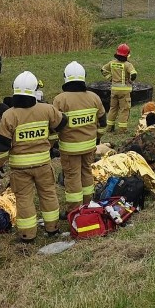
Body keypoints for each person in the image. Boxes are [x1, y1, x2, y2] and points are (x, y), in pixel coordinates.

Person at [0, 71, 66, 241]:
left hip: (20, 168)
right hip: (43, 164)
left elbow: (1, 146)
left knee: (24, 199)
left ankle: (27, 235)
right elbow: (62, 123)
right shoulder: (47, 109)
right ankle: (52, 228)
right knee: (48, 194)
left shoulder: (9, 115)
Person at [53, 61, 107, 210]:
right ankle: (88, 204)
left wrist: (53, 143)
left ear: (66, 77)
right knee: (87, 172)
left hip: (70, 149)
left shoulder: (60, 100)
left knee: (72, 177)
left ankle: (75, 210)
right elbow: (103, 121)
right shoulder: (94, 97)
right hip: (89, 145)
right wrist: (97, 138)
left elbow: (54, 125)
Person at [101, 43, 137, 133]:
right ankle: (122, 129)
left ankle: (109, 127)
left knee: (113, 108)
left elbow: (103, 70)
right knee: (124, 109)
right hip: (124, 92)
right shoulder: (128, 65)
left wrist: (110, 78)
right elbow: (133, 74)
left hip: (114, 90)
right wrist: (130, 79)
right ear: (127, 55)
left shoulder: (112, 63)